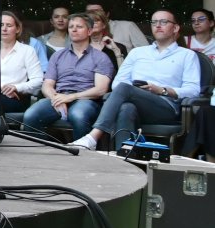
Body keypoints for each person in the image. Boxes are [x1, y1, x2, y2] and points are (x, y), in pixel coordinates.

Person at [73, 10, 203, 152]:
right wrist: (136, 91)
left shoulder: (187, 55)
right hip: (135, 101)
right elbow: (118, 82)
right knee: (126, 107)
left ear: (176, 28)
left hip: (166, 107)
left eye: (164, 22)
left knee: (124, 90)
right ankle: (124, 157)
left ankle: (93, 136)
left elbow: (193, 90)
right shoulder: (138, 52)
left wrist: (162, 90)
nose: (158, 25)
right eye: (154, 22)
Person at [22, 13, 114, 142]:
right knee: (31, 115)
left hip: (87, 100)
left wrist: (70, 97)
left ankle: (82, 154)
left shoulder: (100, 57)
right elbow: (47, 85)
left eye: (79, 27)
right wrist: (56, 99)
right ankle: (43, 154)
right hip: (58, 97)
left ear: (89, 31)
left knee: (78, 115)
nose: (74, 29)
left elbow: (100, 89)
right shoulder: (58, 56)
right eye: (71, 27)